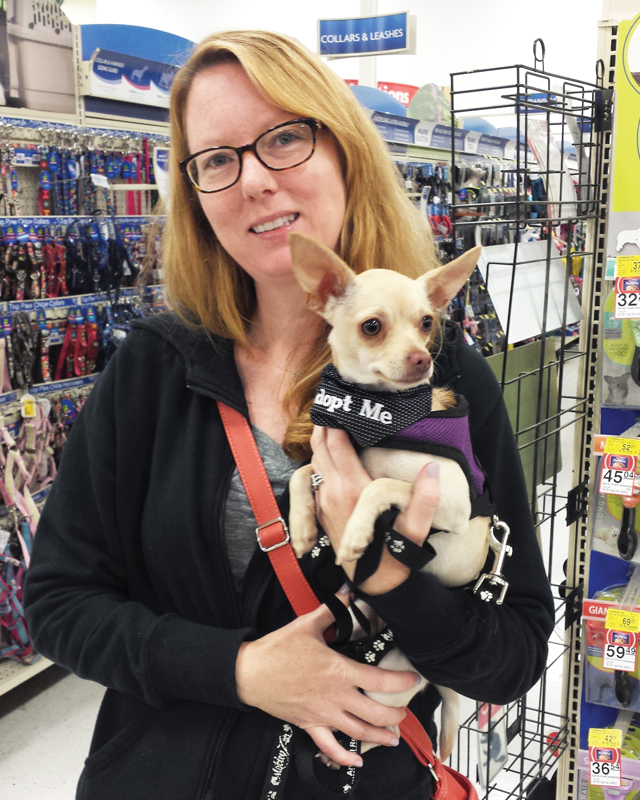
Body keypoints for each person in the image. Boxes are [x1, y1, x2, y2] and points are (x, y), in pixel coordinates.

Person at [23, 30, 555, 800]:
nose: (254, 182)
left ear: (343, 151)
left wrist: (391, 578)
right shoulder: (154, 368)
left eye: (285, 138)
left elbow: (515, 650)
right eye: (217, 159)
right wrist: (240, 670)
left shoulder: (444, 375)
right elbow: (60, 603)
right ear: (196, 194)